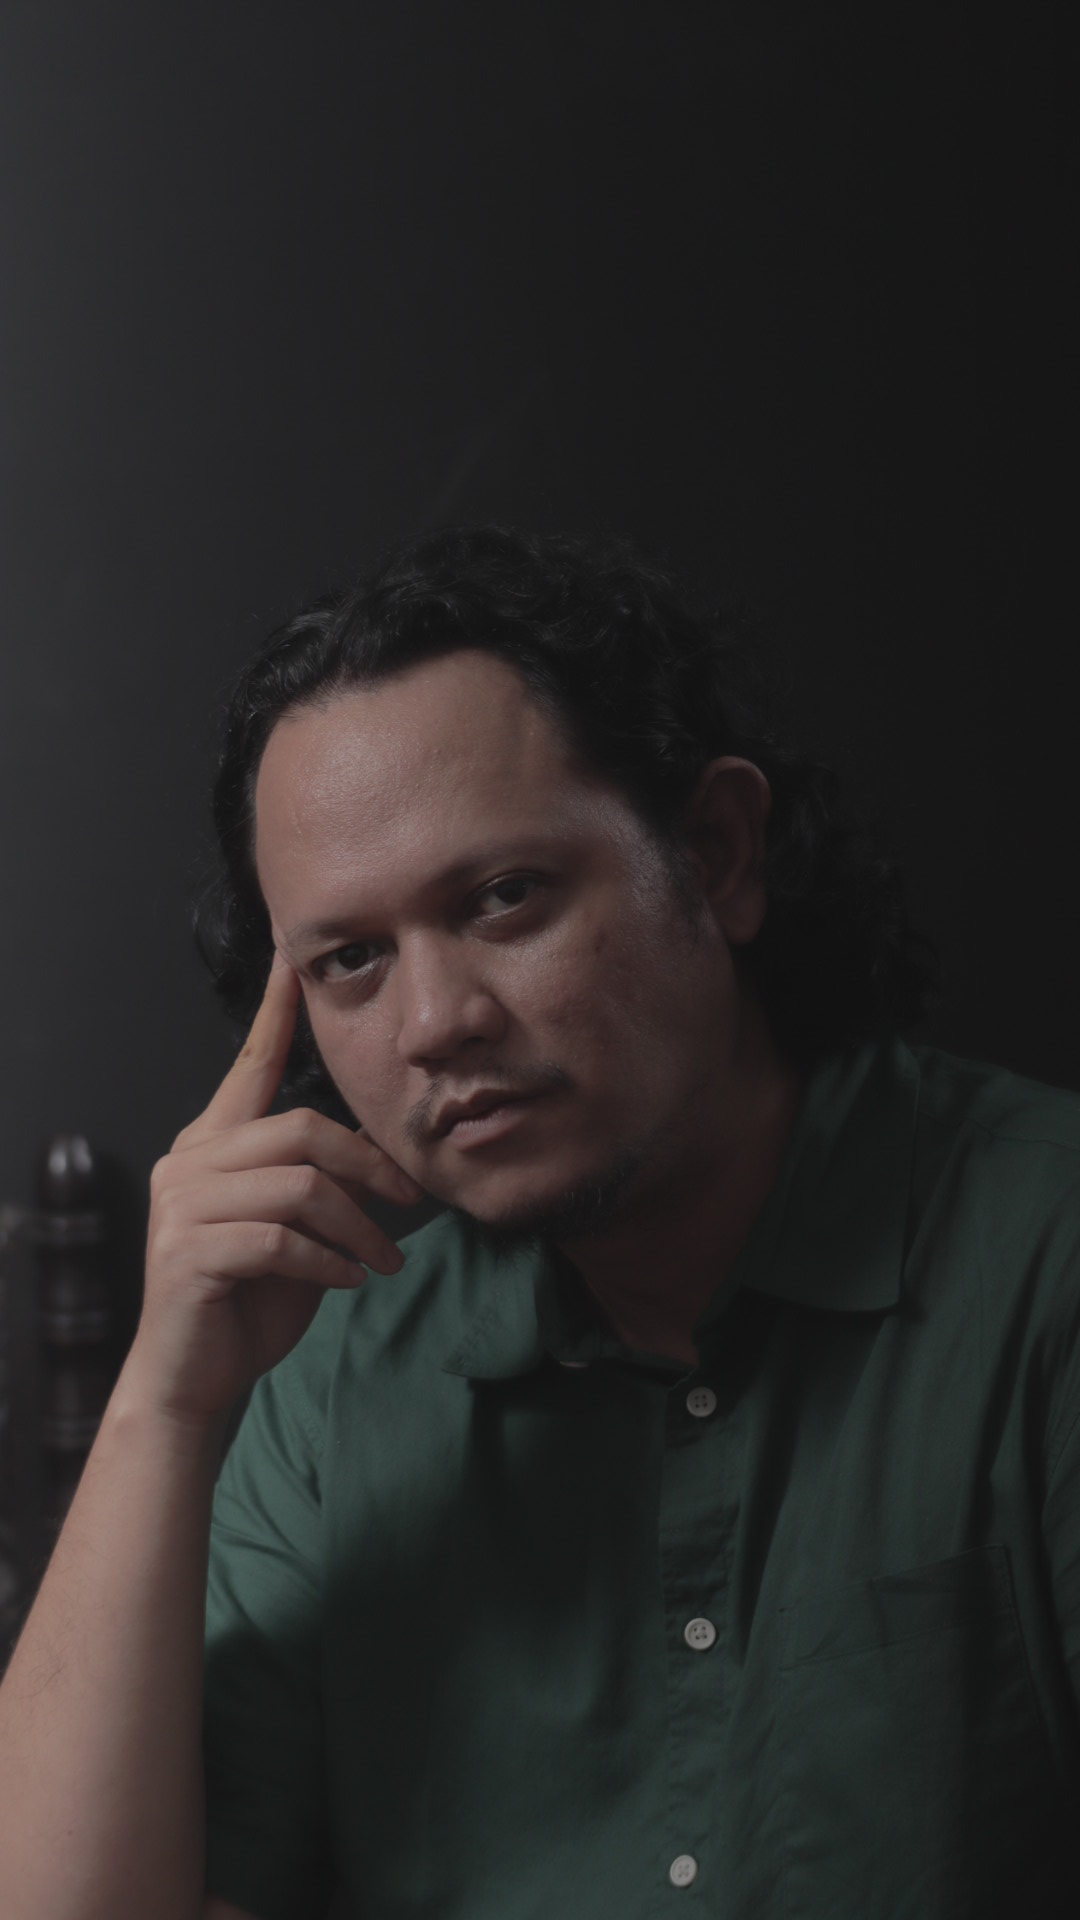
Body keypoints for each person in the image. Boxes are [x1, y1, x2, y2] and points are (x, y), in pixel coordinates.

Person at [0, 526, 1077, 1920]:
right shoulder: (331, 1369)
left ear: (716, 855)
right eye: (351, 959)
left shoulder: (1040, 1259)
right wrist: (162, 1400)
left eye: (504, 897)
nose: (435, 1022)